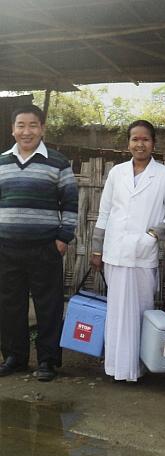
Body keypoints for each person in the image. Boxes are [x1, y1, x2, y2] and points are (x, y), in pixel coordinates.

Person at [90, 120, 165, 382]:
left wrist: (154, 234)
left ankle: (138, 367)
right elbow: (105, 212)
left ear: (154, 143)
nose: (140, 144)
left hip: (143, 253)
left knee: (141, 311)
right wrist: (97, 249)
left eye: (146, 139)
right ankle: (116, 367)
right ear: (128, 143)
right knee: (117, 311)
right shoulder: (117, 173)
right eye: (135, 139)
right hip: (115, 252)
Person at [0, 104, 78, 382]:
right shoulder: (2, 162)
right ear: (12, 129)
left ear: (42, 129)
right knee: (10, 304)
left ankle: (47, 360)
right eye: (21, 125)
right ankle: (14, 357)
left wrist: (62, 238)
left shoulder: (58, 163)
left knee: (49, 305)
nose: (26, 131)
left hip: (45, 247)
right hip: (6, 247)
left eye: (33, 125)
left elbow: (70, 203)